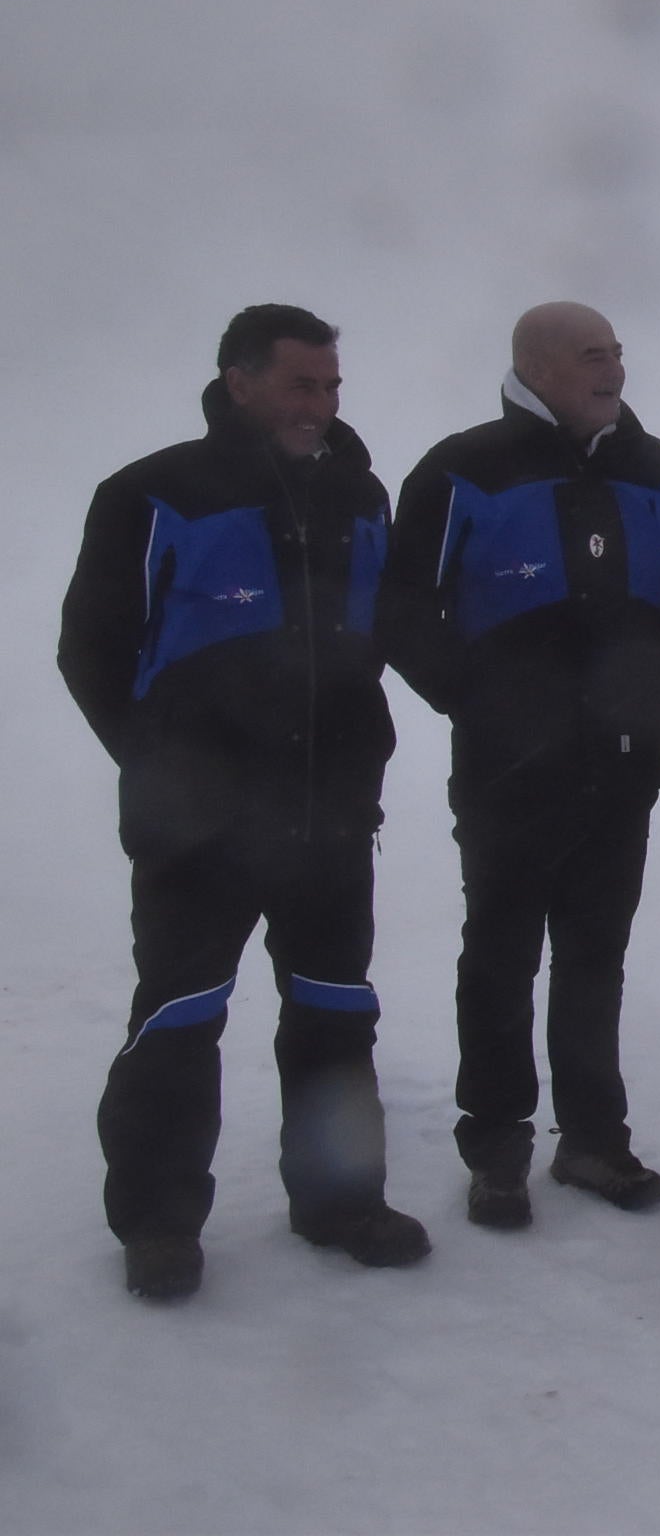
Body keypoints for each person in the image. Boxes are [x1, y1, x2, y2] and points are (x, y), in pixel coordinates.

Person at [61, 304, 427, 1299]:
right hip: (200, 827)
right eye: (301, 383)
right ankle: (158, 1220)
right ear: (239, 380)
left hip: (329, 814)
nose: (321, 403)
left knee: (335, 1013)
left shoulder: (358, 494)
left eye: (332, 386)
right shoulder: (152, 494)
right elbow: (90, 651)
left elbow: (380, 637)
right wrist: (162, 771)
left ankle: (341, 1200)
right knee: (179, 1017)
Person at [384, 303, 660, 1227]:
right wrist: (482, 704)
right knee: (500, 957)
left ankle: (594, 1141)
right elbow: (401, 608)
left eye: (617, 353)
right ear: (534, 368)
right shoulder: (463, 470)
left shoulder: (653, 467)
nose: (614, 370)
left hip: (623, 765)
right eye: (591, 356)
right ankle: (496, 1149)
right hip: (510, 772)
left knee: (595, 957)